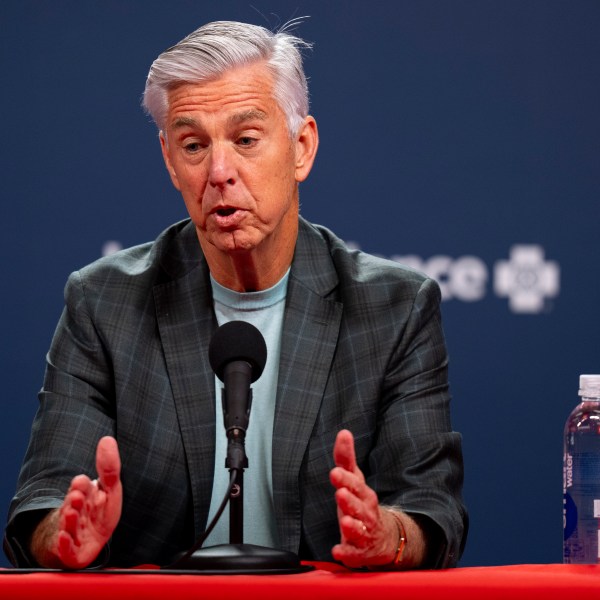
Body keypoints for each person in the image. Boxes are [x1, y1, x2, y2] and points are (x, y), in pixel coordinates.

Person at [4, 20, 467, 571]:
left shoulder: (394, 307)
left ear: (301, 148)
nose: (220, 172)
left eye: (246, 140)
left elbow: (432, 510)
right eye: (194, 145)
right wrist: (65, 534)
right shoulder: (103, 303)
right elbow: (42, 501)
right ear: (169, 160)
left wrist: (386, 533)